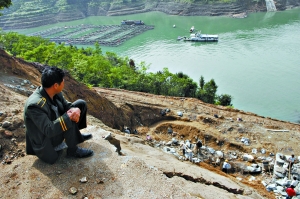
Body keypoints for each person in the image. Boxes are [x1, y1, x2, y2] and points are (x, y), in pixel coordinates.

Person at [24, 66, 94, 164]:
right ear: (56, 85)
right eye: (63, 81)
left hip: (53, 128)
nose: (64, 83)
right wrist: (69, 116)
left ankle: (75, 135)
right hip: (46, 140)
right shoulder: (35, 105)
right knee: (68, 119)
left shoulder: (54, 92)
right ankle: (73, 151)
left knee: (80, 104)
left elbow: (66, 105)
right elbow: (48, 129)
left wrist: (75, 109)